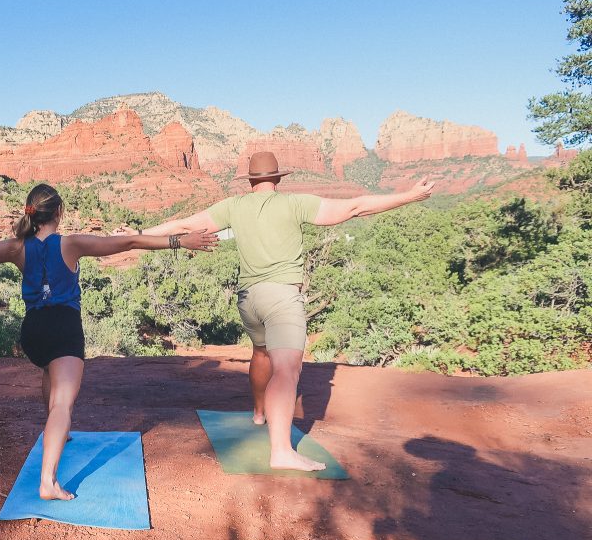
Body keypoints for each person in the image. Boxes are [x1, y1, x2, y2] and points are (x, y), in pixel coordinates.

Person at [0, 183, 218, 500]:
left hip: (32, 332)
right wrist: (179, 241)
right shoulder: (70, 243)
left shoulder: (15, 248)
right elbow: (128, 243)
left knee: (49, 374)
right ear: (58, 213)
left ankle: (59, 433)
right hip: (63, 327)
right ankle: (48, 482)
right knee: (62, 406)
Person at [133, 151, 435, 472]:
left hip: (248, 299)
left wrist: (132, 237)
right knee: (287, 370)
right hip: (281, 298)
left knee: (261, 353)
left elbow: (182, 223)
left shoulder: (233, 206)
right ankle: (281, 451)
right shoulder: (295, 203)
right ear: (277, 178)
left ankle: (260, 413)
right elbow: (355, 207)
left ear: (250, 182)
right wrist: (410, 196)